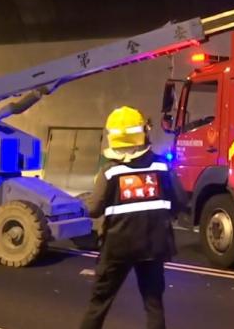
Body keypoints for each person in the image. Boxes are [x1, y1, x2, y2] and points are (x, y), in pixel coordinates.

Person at [80, 106, 186, 329]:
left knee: (98, 304)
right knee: (154, 305)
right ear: (144, 133)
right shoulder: (162, 166)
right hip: (153, 245)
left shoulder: (110, 172)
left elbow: (94, 210)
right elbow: (180, 201)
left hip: (117, 248)